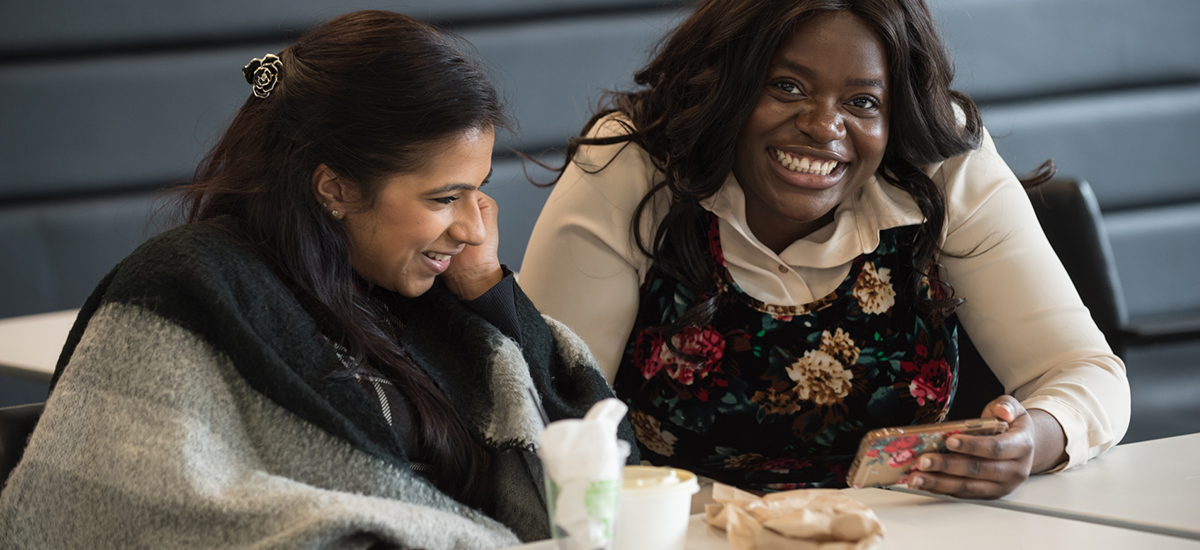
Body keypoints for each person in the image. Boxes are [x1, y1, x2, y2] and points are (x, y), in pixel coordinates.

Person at [0, 10, 632, 549]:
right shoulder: (186, 287)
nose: (473, 227)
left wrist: (487, 291)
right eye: (445, 198)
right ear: (335, 188)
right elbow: (146, 515)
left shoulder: (412, 295)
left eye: (479, 192)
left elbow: (595, 452)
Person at [519, 0, 1130, 499]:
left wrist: (1034, 439)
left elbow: (1086, 374)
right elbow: (547, 412)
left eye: (863, 102)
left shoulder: (938, 162)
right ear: (725, 86)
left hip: (894, 530)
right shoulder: (636, 160)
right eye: (786, 86)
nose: (823, 125)